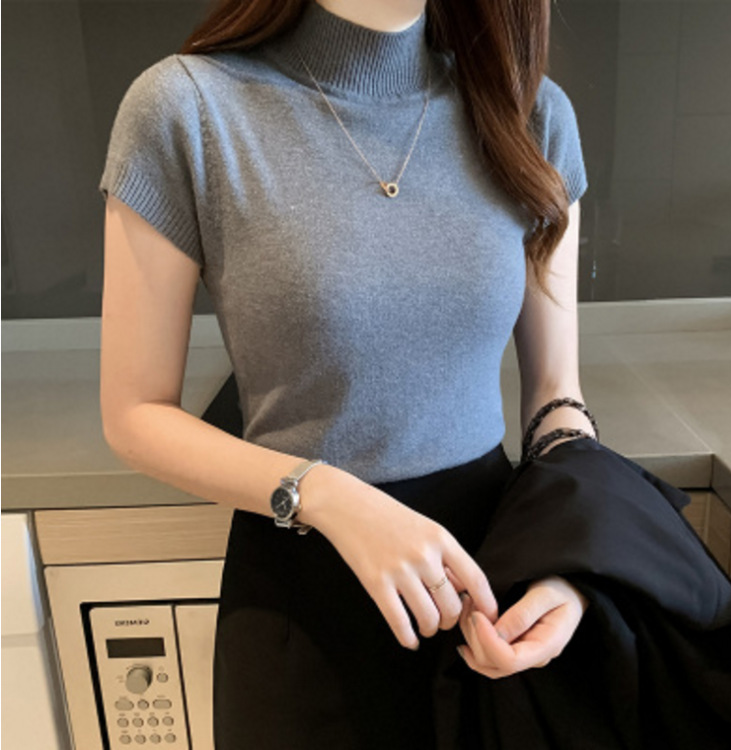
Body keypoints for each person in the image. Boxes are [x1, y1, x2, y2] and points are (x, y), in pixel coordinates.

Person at [98, 1, 599, 747]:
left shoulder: (531, 114)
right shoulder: (187, 109)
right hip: (303, 610)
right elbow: (135, 415)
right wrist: (328, 497)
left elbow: (557, 398)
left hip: (489, 599)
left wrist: (566, 558)